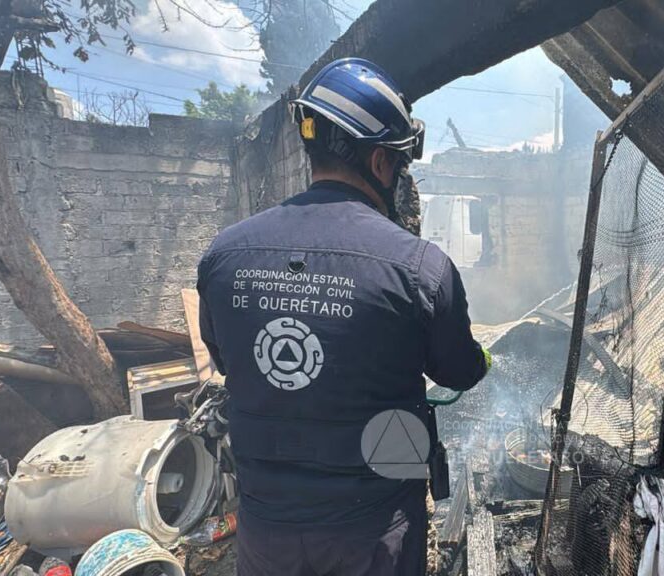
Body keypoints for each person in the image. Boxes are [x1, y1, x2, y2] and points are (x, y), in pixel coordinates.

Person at [195, 58, 490, 575]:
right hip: (375, 530)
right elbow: (460, 371)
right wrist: (482, 356)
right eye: (399, 165)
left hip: (266, 530)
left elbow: (225, 358)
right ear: (380, 164)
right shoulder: (420, 268)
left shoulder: (224, 256)